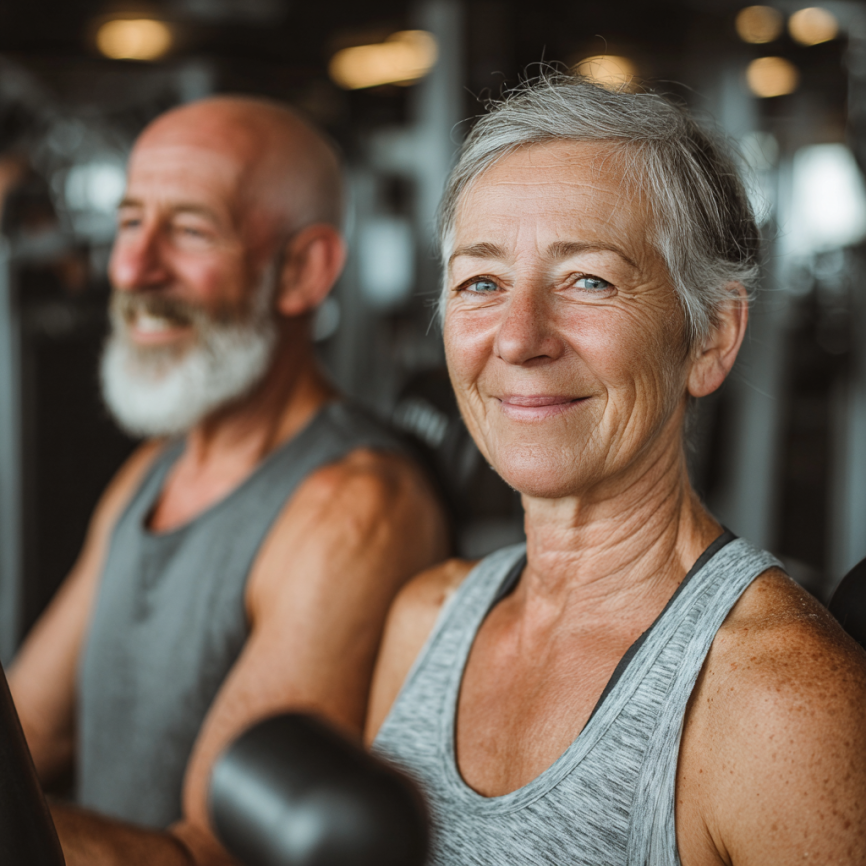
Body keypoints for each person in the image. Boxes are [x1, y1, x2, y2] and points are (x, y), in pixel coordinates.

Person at [366, 75, 866, 864]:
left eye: (588, 280)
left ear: (710, 339)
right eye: (482, 283)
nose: (519, 337)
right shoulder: (422, 622)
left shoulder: (782, 702)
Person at [8, 95, 448, 865]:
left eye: (188, 230)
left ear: (303, 271)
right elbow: (32, 729)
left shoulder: (355, 507)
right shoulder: (158, 467)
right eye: (129, 222)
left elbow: (216, 854)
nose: (131, 269)